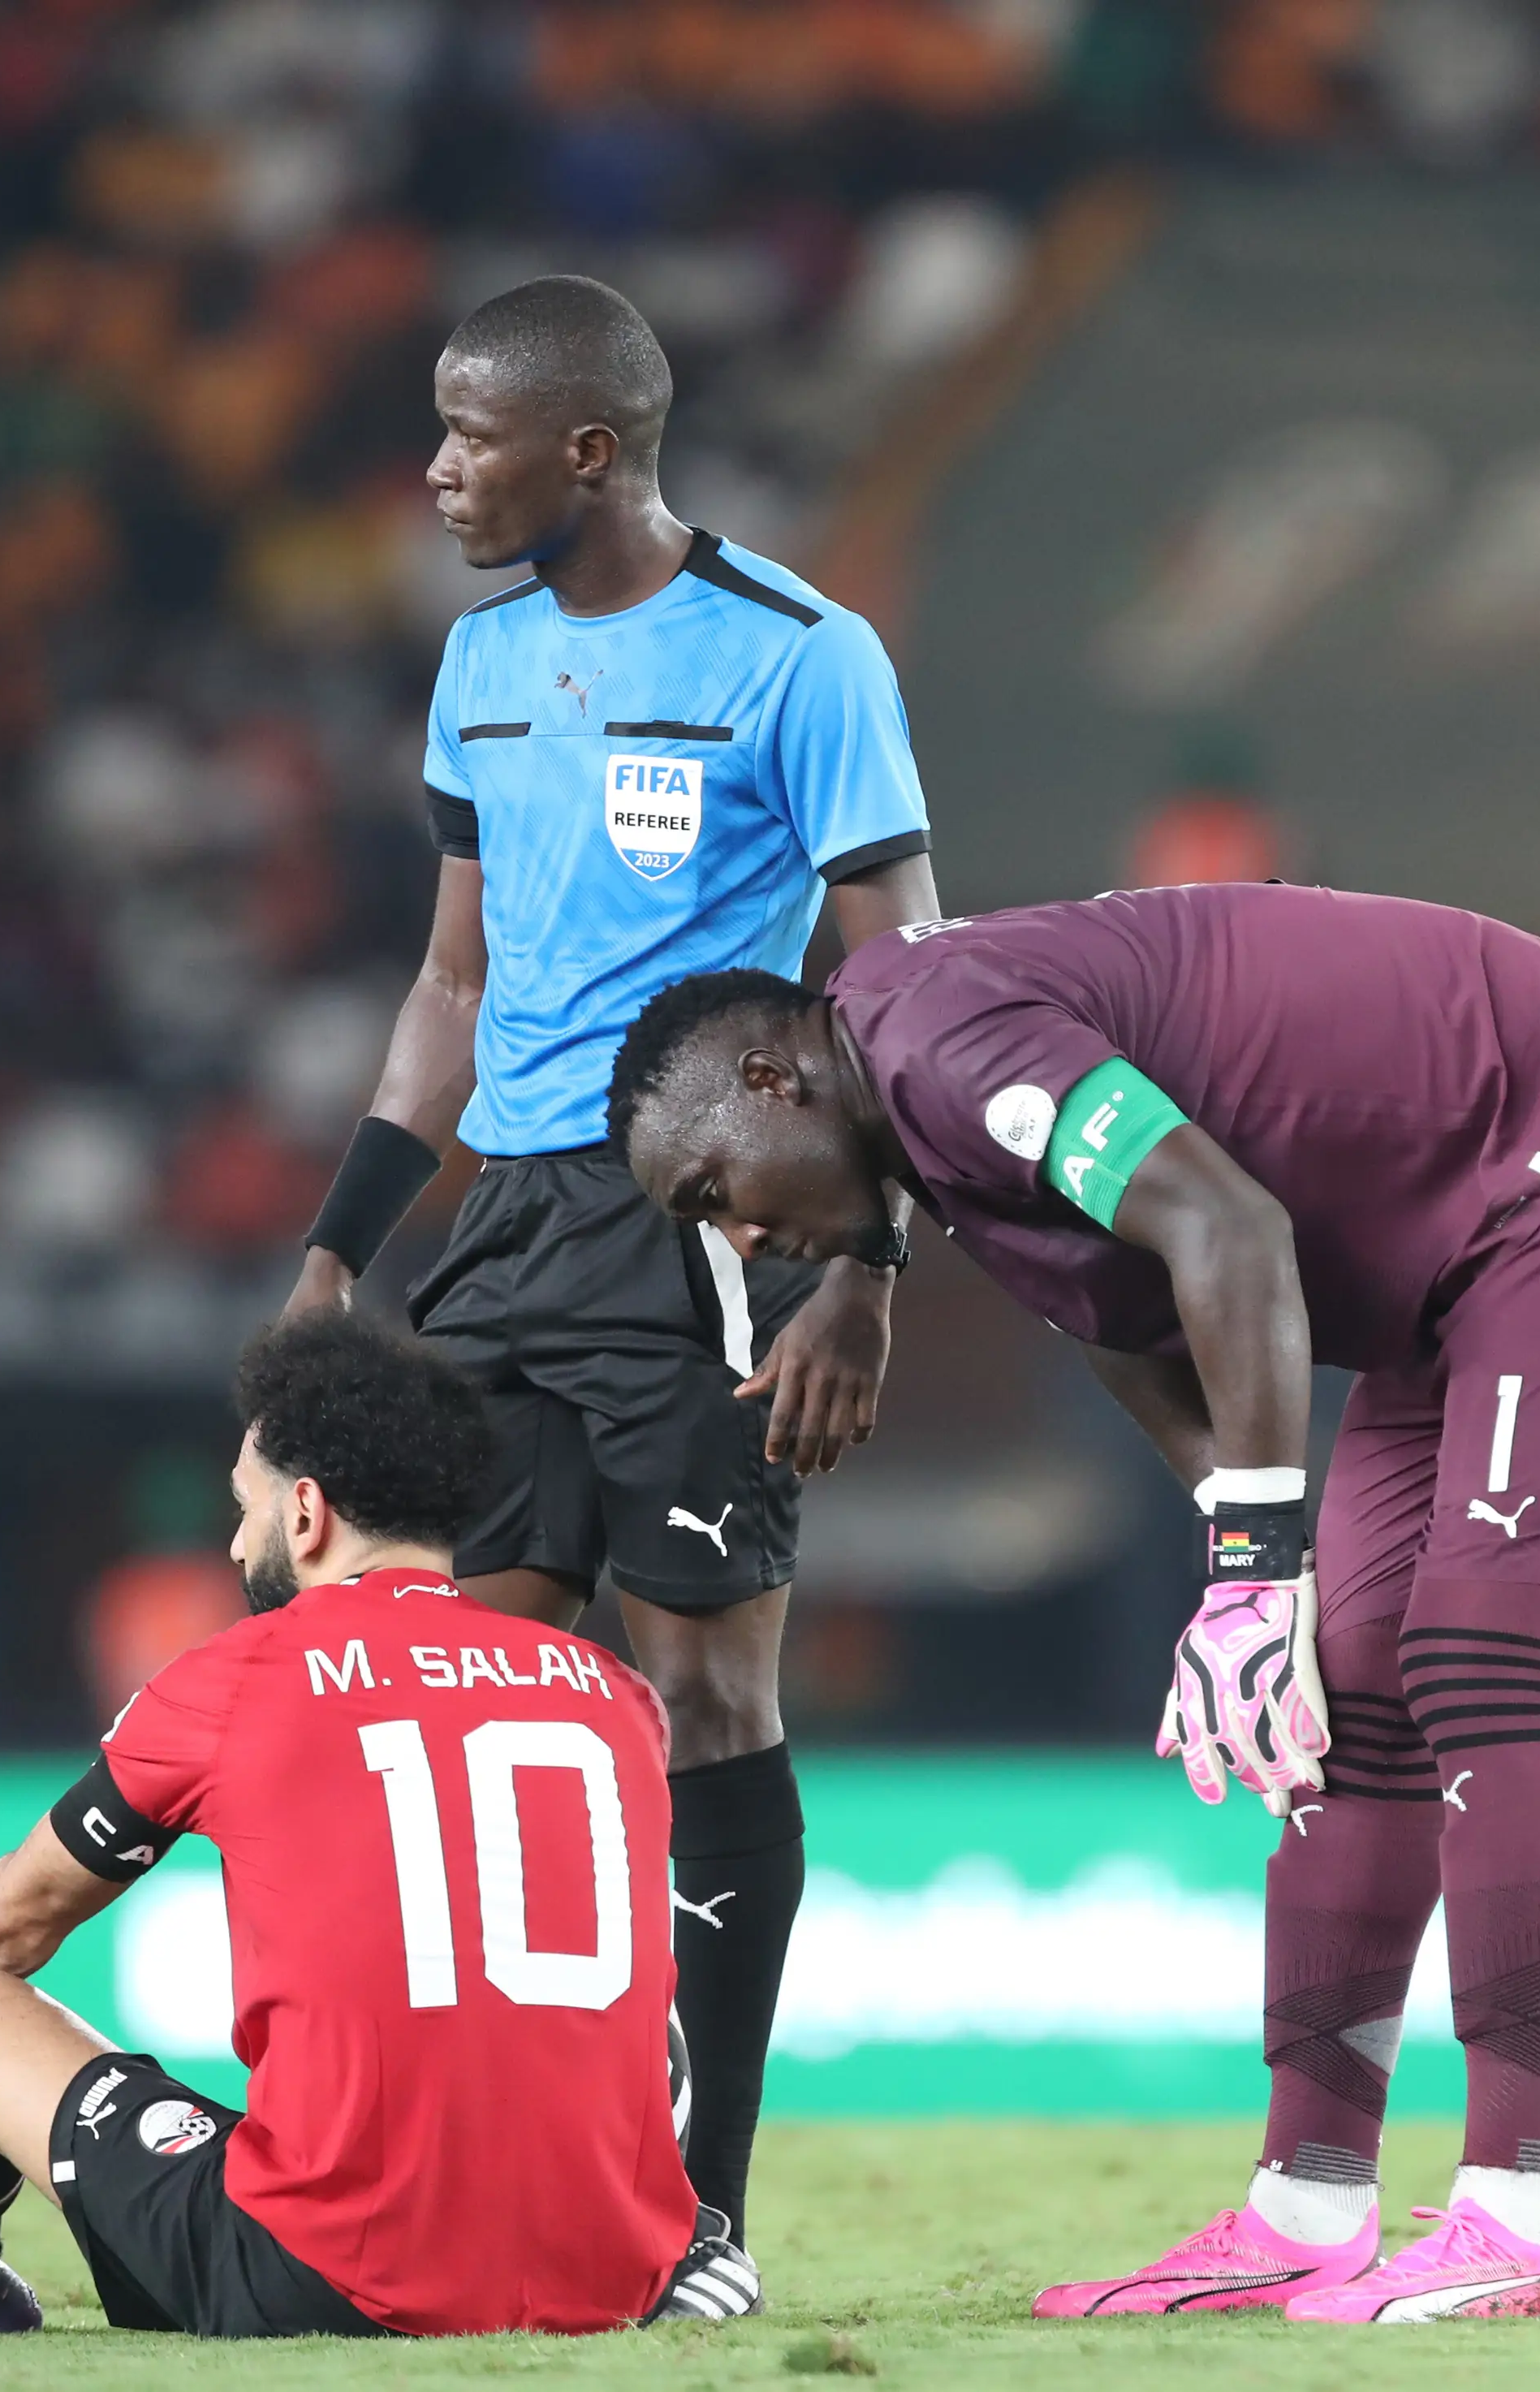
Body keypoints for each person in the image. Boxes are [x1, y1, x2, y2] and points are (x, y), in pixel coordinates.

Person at [604, 881, 1540, 2326]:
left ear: (770, 1078)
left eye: (712, 1192)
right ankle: (1308, 2203)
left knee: (1486, 1650)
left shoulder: (936, 1041)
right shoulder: (928, 1108)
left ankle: (1525, 2210)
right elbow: (1132, 1319)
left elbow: (1228, 1227)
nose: (740, 1237)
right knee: (1347, 1691)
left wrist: (1247, 1570)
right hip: (1473, 1250)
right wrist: (1266, 1570)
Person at [283, 274, 940, 2259]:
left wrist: (867, 1262)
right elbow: (450, 984)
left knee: (705, 1699)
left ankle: (702, 2208)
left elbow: (905, 986)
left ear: (585, 447)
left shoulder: (800, 655)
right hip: (503, 1226)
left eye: (467, 435)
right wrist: (336, 1252)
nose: (434, 470)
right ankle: (507, 2178)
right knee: (484, 1699)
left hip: (701, 1232)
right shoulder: (477, 663)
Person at [0, 1312, 754, 2341]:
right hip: (612, 2281)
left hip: (331, 2279)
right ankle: (680, 2246)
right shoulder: (614, 1696)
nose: (237, 1542)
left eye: (245, 1508)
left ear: (307, 1513)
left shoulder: (238, 1677)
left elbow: (10, 1925)